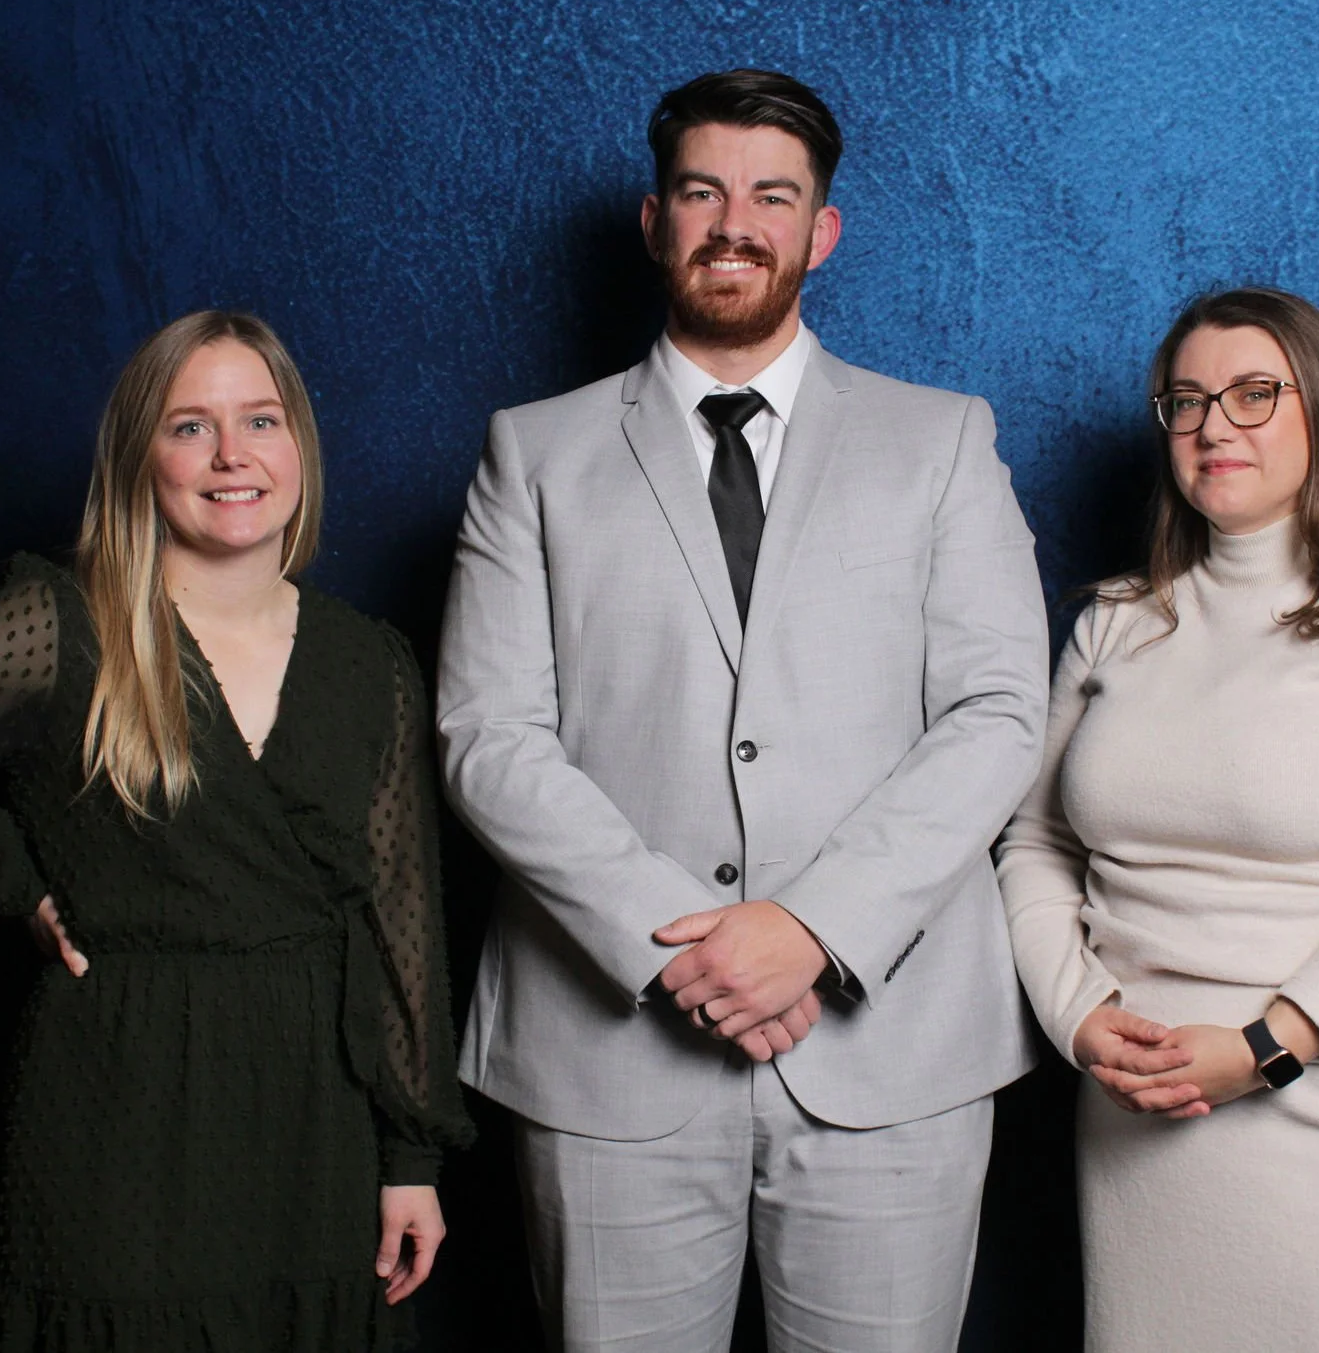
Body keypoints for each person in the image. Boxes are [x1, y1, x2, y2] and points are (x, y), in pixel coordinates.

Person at [438, 68, 1054, 1350]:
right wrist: (684, 950)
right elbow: (489, 738)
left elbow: (997, 712)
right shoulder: (531, 452)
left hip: (893, 1061)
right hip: (608, 1062)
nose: (736, 222)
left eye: (772, 195)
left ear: (820, 231)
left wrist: (812, 928)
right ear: (653, 219)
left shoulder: (939, 440)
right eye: (702, 190)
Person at [0, 310, 471, 1351]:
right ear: (140, 456)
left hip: (314, 1116)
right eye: (190, 427)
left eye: (260, 420)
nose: (232, 455)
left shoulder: (370, 663)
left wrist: (412, 1157)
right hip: (119, 1103)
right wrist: (7, 878)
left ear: (299, 447)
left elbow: (402, 918)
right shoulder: (62, 625)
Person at [997, 286, 1319, 1350]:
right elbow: (1034, 846)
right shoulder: (1112, 623)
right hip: (1137, 1119)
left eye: (1251, 393)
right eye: (1184, 402)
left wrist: (1264, 1048)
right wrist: (1078, 1018)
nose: (1213, 425)